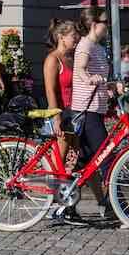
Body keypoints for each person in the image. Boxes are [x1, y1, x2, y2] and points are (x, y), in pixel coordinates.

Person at [71, 7, 111, 213]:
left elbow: (101, 76)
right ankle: (116, 205)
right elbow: (79, 68)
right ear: (94, 24)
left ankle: (67, 205)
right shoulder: (85, 44)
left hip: (97, 108)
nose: (108, 25)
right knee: (107, 156)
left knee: (86, 161)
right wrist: (89, 79)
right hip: (86, 110)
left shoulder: (99, 47)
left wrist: (111, 87)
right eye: (105, 21)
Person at [43, 19, 80, 163]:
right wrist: (56, 117)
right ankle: (51, 184)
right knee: (59, 158)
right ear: (61, 37)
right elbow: (50, 91)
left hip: (74, 112)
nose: (76, 38)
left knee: (81, 156)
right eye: (73, 35)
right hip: (61, 112)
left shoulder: (71, 58)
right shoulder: (53, 59)